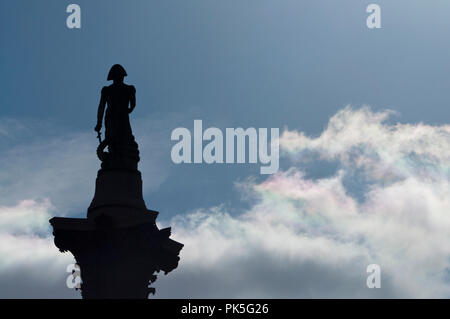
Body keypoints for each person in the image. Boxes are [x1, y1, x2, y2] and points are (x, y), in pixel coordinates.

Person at [95, 64, 136, 145]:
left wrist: (99, 123)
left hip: (121, 118)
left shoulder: (129, 89)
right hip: (112, 118)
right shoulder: (107, 90)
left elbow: (132, 105)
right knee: (113, 141)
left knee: (124, 139)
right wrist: (99, 123)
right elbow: (101, 107)